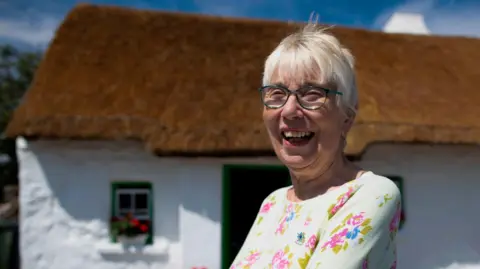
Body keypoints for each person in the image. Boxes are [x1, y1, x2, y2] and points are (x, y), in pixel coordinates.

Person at [229, 22, 401, 269]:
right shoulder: (273, 203)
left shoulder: (370, 194)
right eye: (276, 94)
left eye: (312, 94)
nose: (289, 110)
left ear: (346, 118)